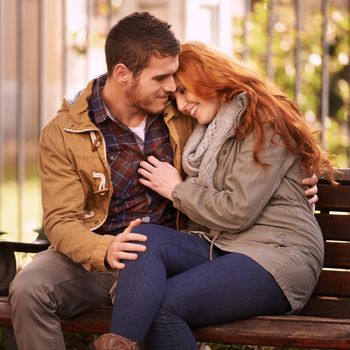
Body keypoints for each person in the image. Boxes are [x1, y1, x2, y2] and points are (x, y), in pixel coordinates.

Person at [8, 12, 318, 350]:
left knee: (156, 291)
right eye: (162, 79)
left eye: (176, 80)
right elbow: (60, 220)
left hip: (179, 252)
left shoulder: (182, 113)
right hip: (102, 253)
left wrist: (299, 178)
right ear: (123, 74)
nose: (172, 89)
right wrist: (105, 248)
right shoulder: (65, 131)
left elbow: (249, 148)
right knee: (29, 289)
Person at [94, 41, 333, 350]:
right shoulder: (206, 134)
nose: (180, 106)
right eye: (174, 96)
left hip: (279, 256)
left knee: (163, 306)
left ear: (207, 77)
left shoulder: (265, 122)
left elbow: (237, 210)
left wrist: (176, 189)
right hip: (226, 246)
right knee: (143, 240)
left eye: (183, 90)